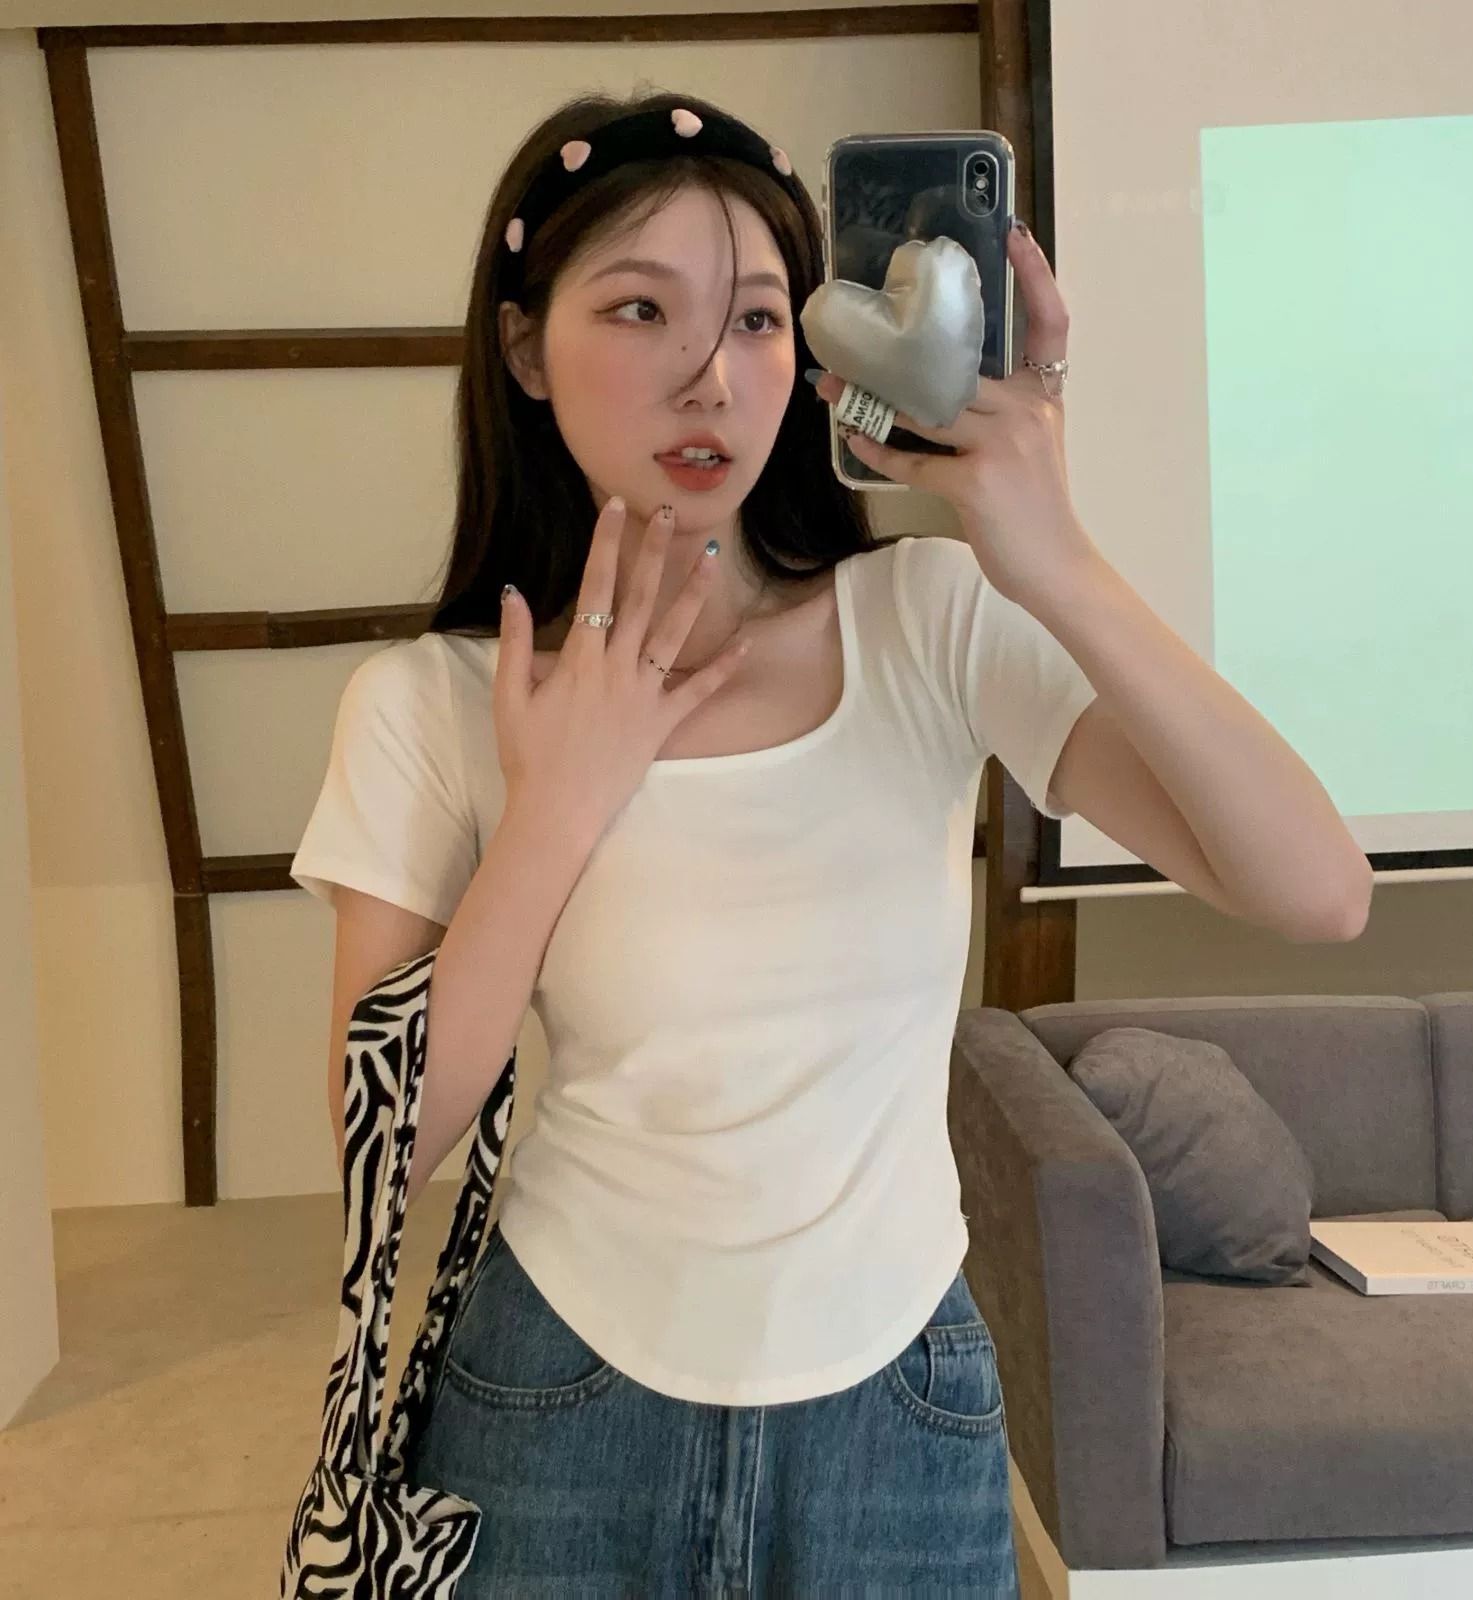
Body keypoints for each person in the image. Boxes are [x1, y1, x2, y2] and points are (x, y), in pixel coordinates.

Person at [289, 85, 1370, 1597]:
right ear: (526, 349)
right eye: (640, 310)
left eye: (753, 320)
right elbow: (390, 1148)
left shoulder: (928, 622)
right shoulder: (437, 699)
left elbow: (1317, 890)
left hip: (897, 1415)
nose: (708, 378)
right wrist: (558, 809)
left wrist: (1053, 556)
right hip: (557, 1399)